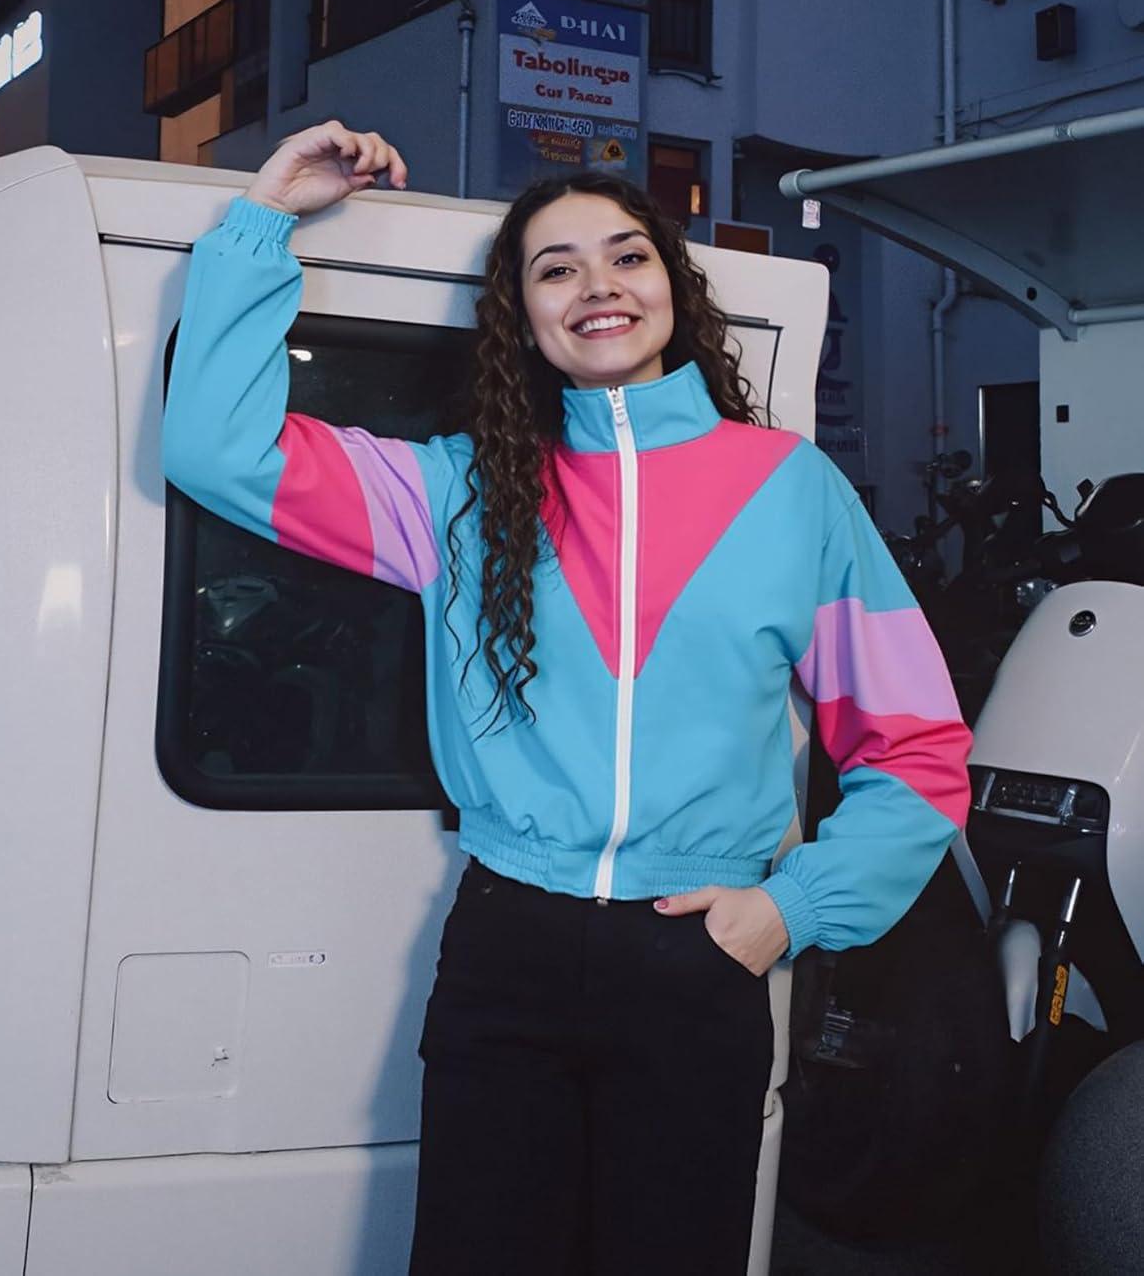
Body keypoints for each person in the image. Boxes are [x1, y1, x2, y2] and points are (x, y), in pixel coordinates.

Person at [162, 119, 972, 1276]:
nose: (599, 286)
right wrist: (263, 220)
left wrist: (791, 910)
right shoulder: (457, 490)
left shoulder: (789, 489)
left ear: (671, 286)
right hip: (511, 950)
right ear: (524, 317)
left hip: (699, 956)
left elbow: (916, 746)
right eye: (558, 269)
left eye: (626, 256)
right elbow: (215, 449)